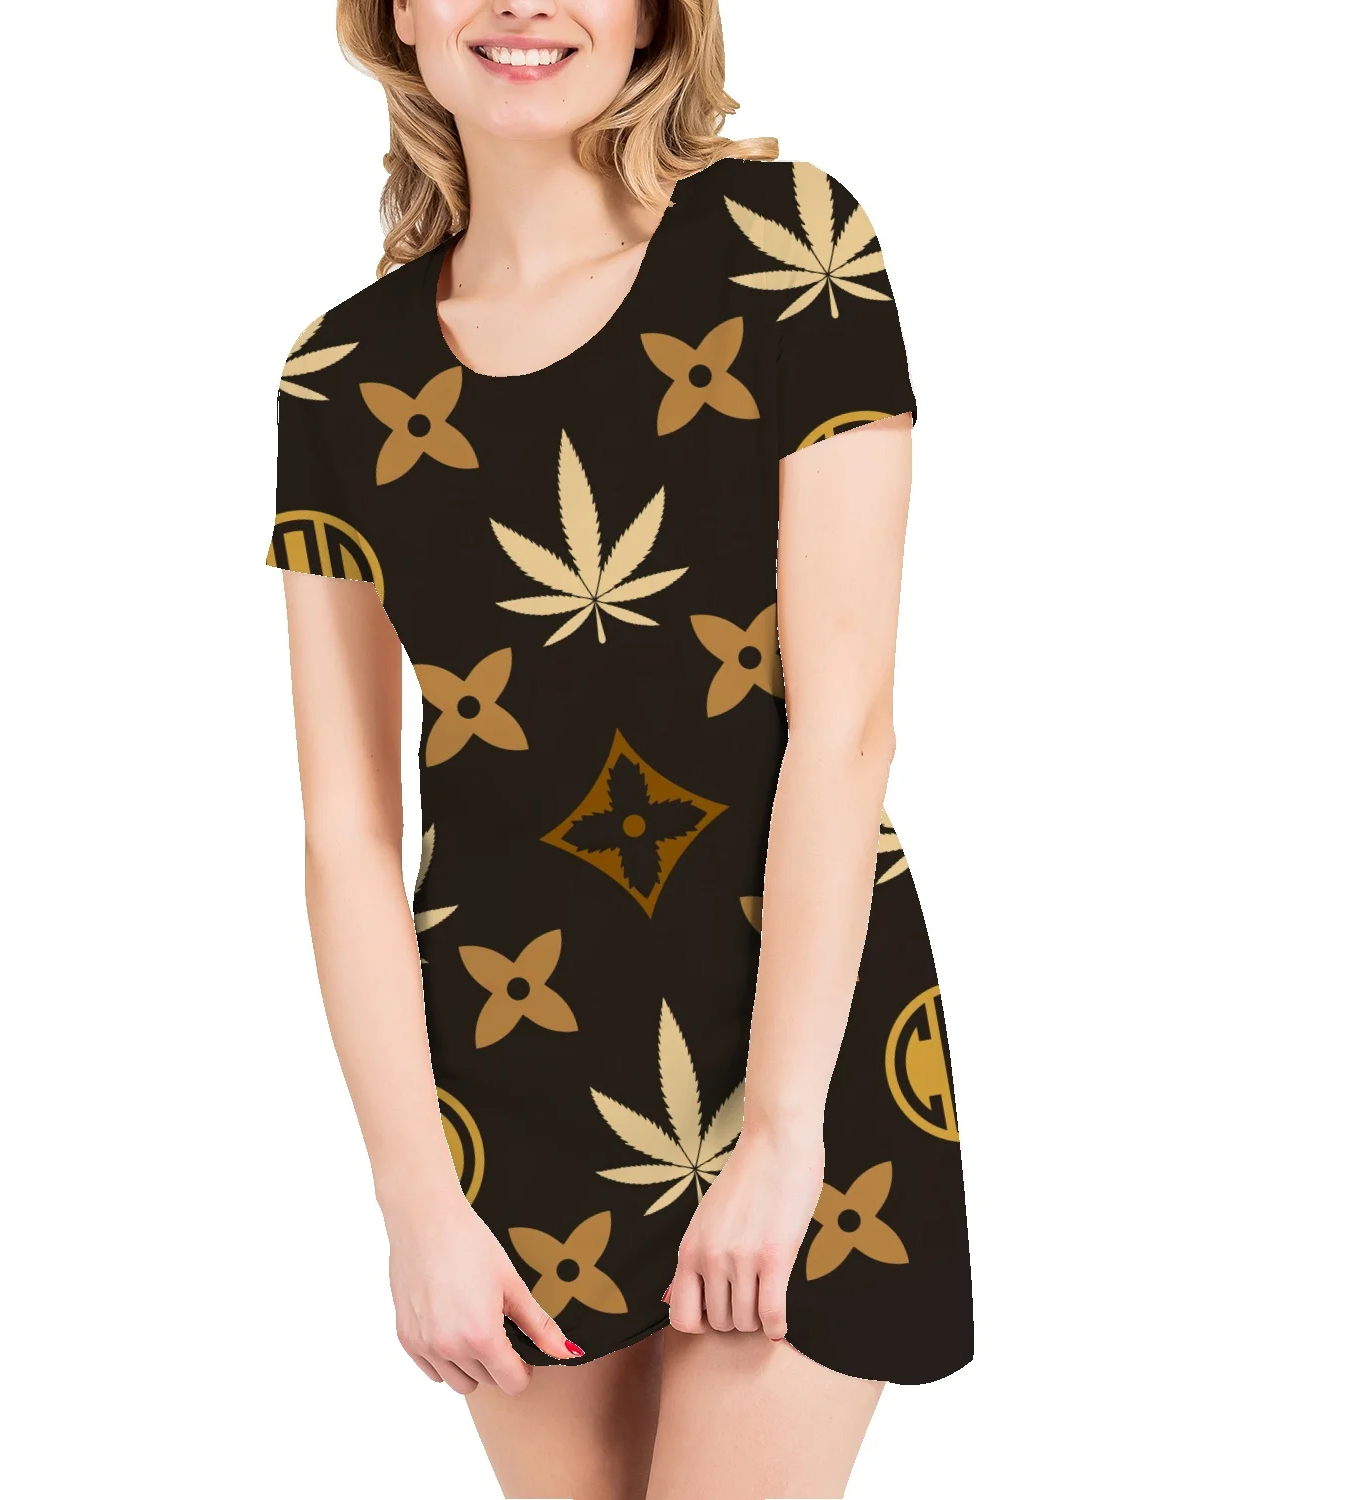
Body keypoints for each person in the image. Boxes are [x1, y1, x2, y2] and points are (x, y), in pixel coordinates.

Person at [267, 3, 973, 1496]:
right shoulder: (341, 378)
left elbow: (844, 725)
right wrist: (416, 1204)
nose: (525, 6)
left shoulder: (788, 250)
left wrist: (780, 1138)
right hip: (509, 1083)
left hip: (796, 1040)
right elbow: (348, 831)